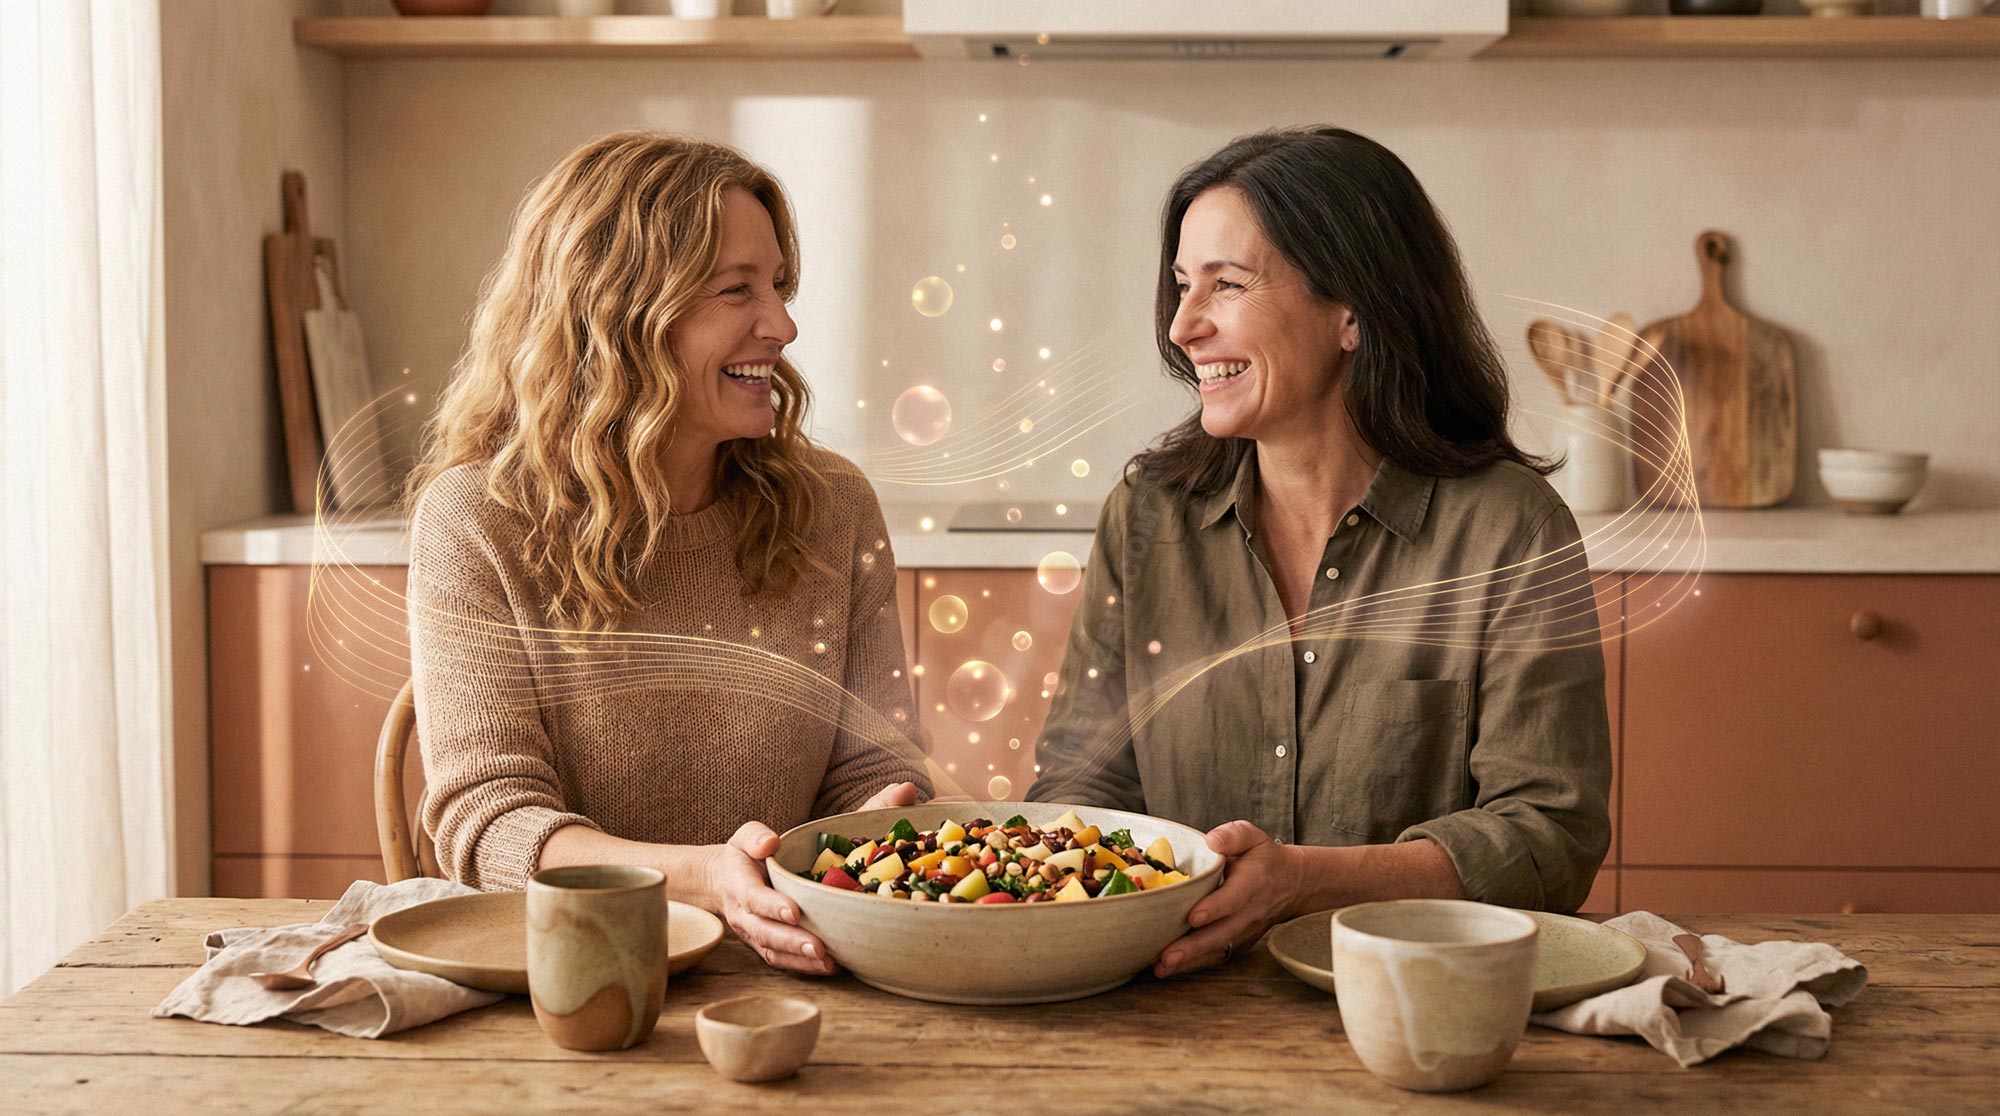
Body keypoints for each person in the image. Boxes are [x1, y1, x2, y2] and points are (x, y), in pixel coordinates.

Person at [1027, 127, 1612, 977]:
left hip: (1418, 999)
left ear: (1353, 312)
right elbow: (1078, 793)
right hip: (1169, 1004)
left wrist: (1303, 883)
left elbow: (1550, 835)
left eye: (1227, 284)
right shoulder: (1147, 521)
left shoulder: (1509, 532)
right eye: (1184, 287)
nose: (1185, 326)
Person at [404, 131, 932, 975]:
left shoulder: (834, 507)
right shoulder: (477, 519)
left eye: (780, 287)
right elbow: (491, 820)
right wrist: (703, 878)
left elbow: (872, 769)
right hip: (577, 976)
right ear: (619, 313)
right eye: (738, 291)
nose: (784, 325)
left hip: (798, 970)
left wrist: (883, 836)